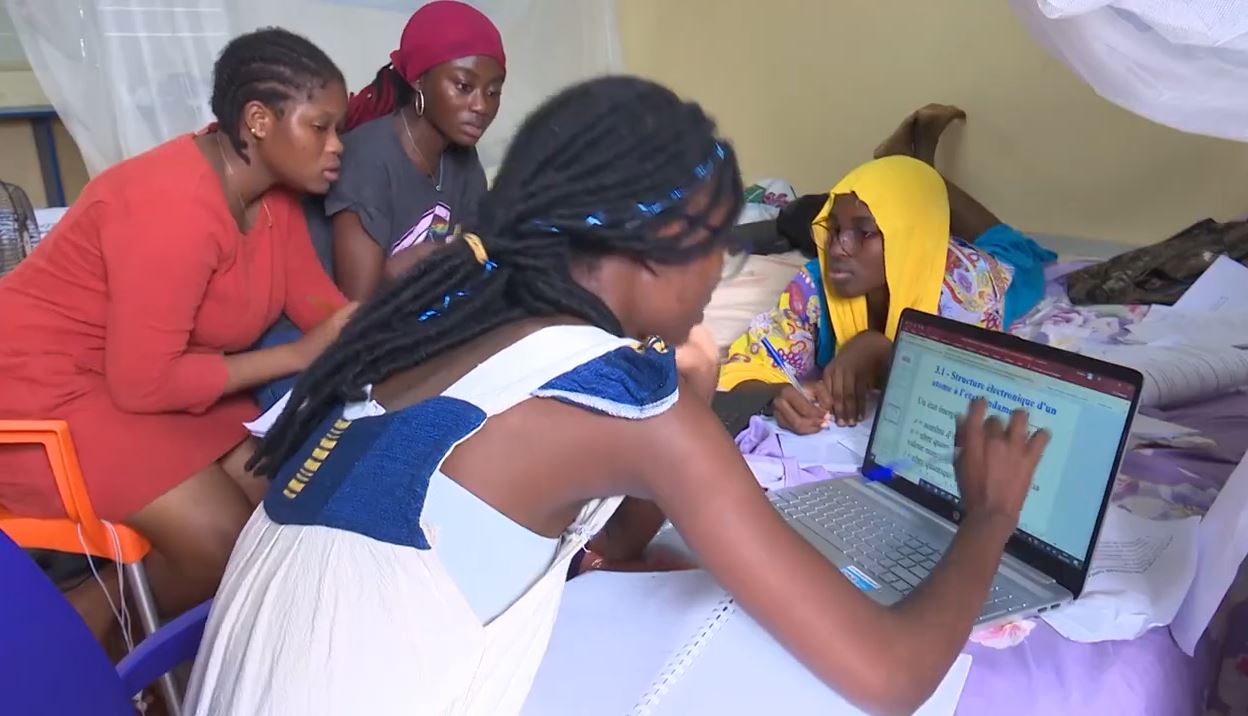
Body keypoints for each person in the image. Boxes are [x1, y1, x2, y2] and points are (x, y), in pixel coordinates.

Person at [185, 77, 1049, 716]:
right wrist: (986, 518)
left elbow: (593, 540)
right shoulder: (632, 405)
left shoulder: (435, 325)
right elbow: (894, 677)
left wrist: (693, 398)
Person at [0, 28, 355, 628]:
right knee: (220, 542)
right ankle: (59, 668)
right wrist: (298, 355)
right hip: (43, 390)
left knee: (278, 490)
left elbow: (321, 307)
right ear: (259, 120)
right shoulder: (171, 206)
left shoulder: (273, 198)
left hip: (131, 380)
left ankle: (184, 657)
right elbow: (143, 382)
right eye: (321, 128)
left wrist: (415, 327)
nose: (337, 146)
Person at [719, 105, 1057, 434]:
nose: (838, 247)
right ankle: (911, 168)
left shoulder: (968, 290)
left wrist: (881, 349)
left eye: (864, 232)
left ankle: (918, 167)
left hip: (989, 269)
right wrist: (775, 395)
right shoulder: (815, 285)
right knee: (915, 200)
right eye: (833, 228)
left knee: (1016, 249)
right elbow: (746, 366)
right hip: (916, 242)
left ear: (906, 241)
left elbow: (967, 396)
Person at [251, 0, 505, 408]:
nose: (482, 105)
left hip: (397, 324)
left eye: (494, 92)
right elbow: (357, 303)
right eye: (464, 86)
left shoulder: (464, 163)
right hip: (314, 331)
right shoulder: (368, 158)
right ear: (420, 81)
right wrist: (421, 263)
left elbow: (475, 259)